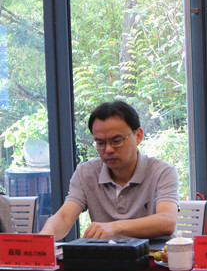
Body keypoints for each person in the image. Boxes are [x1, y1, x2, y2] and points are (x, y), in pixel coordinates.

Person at [40, 100, 179, 240]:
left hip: (154, 253)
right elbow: (64, 218)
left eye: (116, 141)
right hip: (106, 253)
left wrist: (115, 227)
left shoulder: (162, 172)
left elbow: (167, 221)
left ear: (138, 136)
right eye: (100, 143)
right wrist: (43, 238)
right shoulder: (86, 173)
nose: (108, 150)